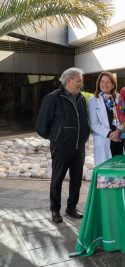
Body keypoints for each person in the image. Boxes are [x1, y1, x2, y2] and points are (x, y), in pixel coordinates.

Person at [36, 67, 90, 223]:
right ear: (70, 80)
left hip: (78, 147)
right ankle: (55, 210)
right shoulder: (52, 98)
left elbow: (84, 122)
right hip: (61, 147)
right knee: (57, 179)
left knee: (76, 179)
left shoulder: (81, 98)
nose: (81, 83)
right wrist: (56, 139)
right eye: (79, 80)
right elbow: (41, 126)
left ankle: (71, 207)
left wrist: (83, 137)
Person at [88, 72, 123, 165]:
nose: (105, 84)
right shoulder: (93, 100)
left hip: (119, 139)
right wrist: (110, 134)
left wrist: (118, 131)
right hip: (105, 138)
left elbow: (124, 117)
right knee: (105, 172)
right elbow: (94, 124)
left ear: (112, 85)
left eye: (108, 82)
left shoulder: (119, 99)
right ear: (98, 83)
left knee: (120, 171)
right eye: (102, 81)